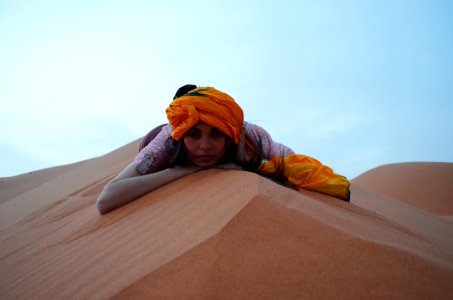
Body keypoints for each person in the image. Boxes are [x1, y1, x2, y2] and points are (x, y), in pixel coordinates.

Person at [96, 85, 350, 214]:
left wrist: (246, 162)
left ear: (230, 131)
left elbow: (294, 163)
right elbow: (107, 199)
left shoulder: (249, 134)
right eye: (194, 134)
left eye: (216, 133)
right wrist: (184, 170)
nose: (204, 146)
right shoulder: (167, 139)